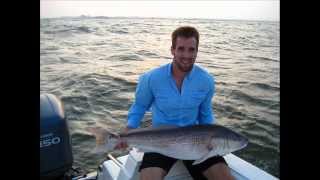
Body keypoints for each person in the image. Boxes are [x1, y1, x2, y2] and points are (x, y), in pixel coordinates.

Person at [116, 26, 234, 180]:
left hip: (196, 143)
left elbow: (205, 114)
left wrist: (214, 138)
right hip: (159, 142)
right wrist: (126, 134)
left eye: (191, 50)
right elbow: (139, 107)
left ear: (197, 51)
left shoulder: (206, 81)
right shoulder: (151, 78)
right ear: (172, 50)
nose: (186, 55)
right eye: (181, 49)